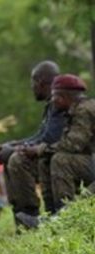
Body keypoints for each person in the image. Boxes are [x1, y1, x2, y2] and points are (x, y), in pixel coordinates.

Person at [16, 74, 95, 228]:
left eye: (54, 96)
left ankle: (64, 219)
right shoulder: (76, 109)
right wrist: (42, 151)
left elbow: (73, 145)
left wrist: (40, 149)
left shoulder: (84, 110)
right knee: (48, 158)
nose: (52, 101)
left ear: (63, 97)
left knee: (60, 159)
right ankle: (52, 216)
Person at [0, 61, 67, 221]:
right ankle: (20, 215)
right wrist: (13, 145)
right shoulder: (51, 105)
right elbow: (40, 135)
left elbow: (48, 139)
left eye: (33, 81)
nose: (32, 87)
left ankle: (30, 213)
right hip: (51, 154)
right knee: (10, 158)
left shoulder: (58, 103)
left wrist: (15, 150)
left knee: (17, 160)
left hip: (60, 157)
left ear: (40, 81)